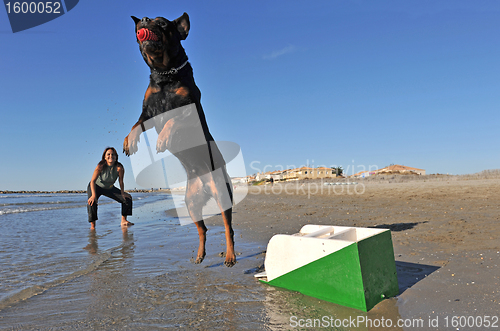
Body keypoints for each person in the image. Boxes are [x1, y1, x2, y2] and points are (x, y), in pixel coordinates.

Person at [87, 147, 133, 230]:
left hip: (109, 188)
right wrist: (93, 195)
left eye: (113, 154)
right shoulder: (100, 166)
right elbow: (92, 181)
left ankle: (124, 220)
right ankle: (92, 226)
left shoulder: (119, 168)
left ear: (116, 157)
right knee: (92, 202)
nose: (111, 156)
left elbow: (121, 181)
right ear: (105, 157)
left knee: (127, 199)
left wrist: (122, 193)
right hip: (96, 186)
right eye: (108, 154)